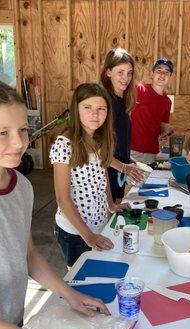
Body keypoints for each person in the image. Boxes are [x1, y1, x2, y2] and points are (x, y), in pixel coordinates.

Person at [0, 78, 109, 329]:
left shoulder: (22, 188)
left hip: (11, 324)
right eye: (3, 133)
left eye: (23, 130)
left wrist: (69, 294)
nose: (19, 142)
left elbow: (26, 254)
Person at [50, 83, 130, 268]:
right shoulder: (64, 145)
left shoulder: (100, 139)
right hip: (75, 232)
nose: (95, 114)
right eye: (87, 107)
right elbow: (62, 198)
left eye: (101, 109)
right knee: (81, 282)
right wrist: (89, 236)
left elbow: (103, 178)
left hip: (101, 225)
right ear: (76, 110)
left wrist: (111, 205)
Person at [100, 48, 143, 202]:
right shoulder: (105, 103)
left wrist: (129, 161)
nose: (126, 78)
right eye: (120, 72)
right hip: (105, 177)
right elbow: (98, 150)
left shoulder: (122, 101)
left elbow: (118, 142)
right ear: (108, 72)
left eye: (129, 73)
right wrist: (125, 168)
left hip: (117, 172)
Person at [130, 58, 173, 164]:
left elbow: (163, 128)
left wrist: (164, 136)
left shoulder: (167, 101)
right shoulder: (138, 90)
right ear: (152, 73)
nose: (162, 75)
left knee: (146, 181)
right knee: (130, 181)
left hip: (152, 153)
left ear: (170, 78)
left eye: (166, 72)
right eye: (159, 71)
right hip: (131, 150)